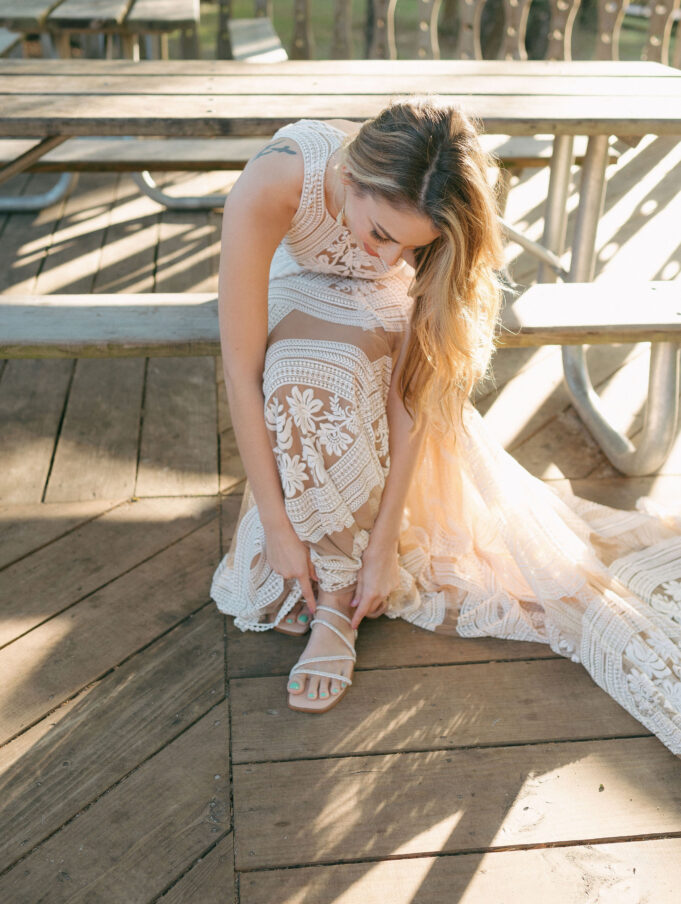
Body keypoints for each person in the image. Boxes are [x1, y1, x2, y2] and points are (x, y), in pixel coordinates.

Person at [210, 98, 681, 752]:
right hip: (301, 276)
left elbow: (411, 400)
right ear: (349, 180)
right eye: (380, 233)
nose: (384, 257)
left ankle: (336, 599)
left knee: (344, 370)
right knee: (299, 372)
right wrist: (279, 527)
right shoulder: (275, 182)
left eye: (410, 246)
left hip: (374, 308)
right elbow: (240, 369)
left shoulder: (408, 242)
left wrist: (380, 547)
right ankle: (315, 565)